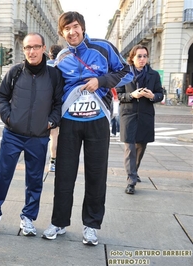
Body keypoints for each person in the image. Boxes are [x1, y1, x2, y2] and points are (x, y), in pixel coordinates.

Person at [41, 11, 133, 246]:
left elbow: (127, 72)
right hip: (70, 122)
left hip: (97, 121)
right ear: (62, 33)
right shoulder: (61, 57)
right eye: (67, 29)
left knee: (96, 175)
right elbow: (51, 87)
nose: (72, 32)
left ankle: (91, 226)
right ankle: (58, 222)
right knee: (64, 174)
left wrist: (100, 82)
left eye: (75, 27)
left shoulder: (103, 48)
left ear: (82, 27)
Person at [0, 33, 63, 236]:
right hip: (13, 135)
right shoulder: (15, 72)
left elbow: (58, 104)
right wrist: (8, 118)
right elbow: (1, 96)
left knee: (35, 180)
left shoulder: (54, 75)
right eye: (28, 47)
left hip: (39, 136)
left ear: (44, 48)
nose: (31, 51)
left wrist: (51, 122)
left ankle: (28, 218)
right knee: (1, 176)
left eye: (36, 47)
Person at [117, 45, 163, 195]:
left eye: (144, 56)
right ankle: (131, 181)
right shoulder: (124, 74)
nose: (142, 59)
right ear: (132, 58)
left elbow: (160, 94)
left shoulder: (154, 75)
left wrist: (152, 96)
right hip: (128, 114)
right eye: (139, 56)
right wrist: (132, 95)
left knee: (140, 147)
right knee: (129, 147)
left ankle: (134, 171)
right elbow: (119, 95)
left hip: (145, 115)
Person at [46, 44, 63, 172]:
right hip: (58, 103)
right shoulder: (61, 67)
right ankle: (53, 160)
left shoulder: (44, 66)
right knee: (55, 134)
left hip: (44, 103)